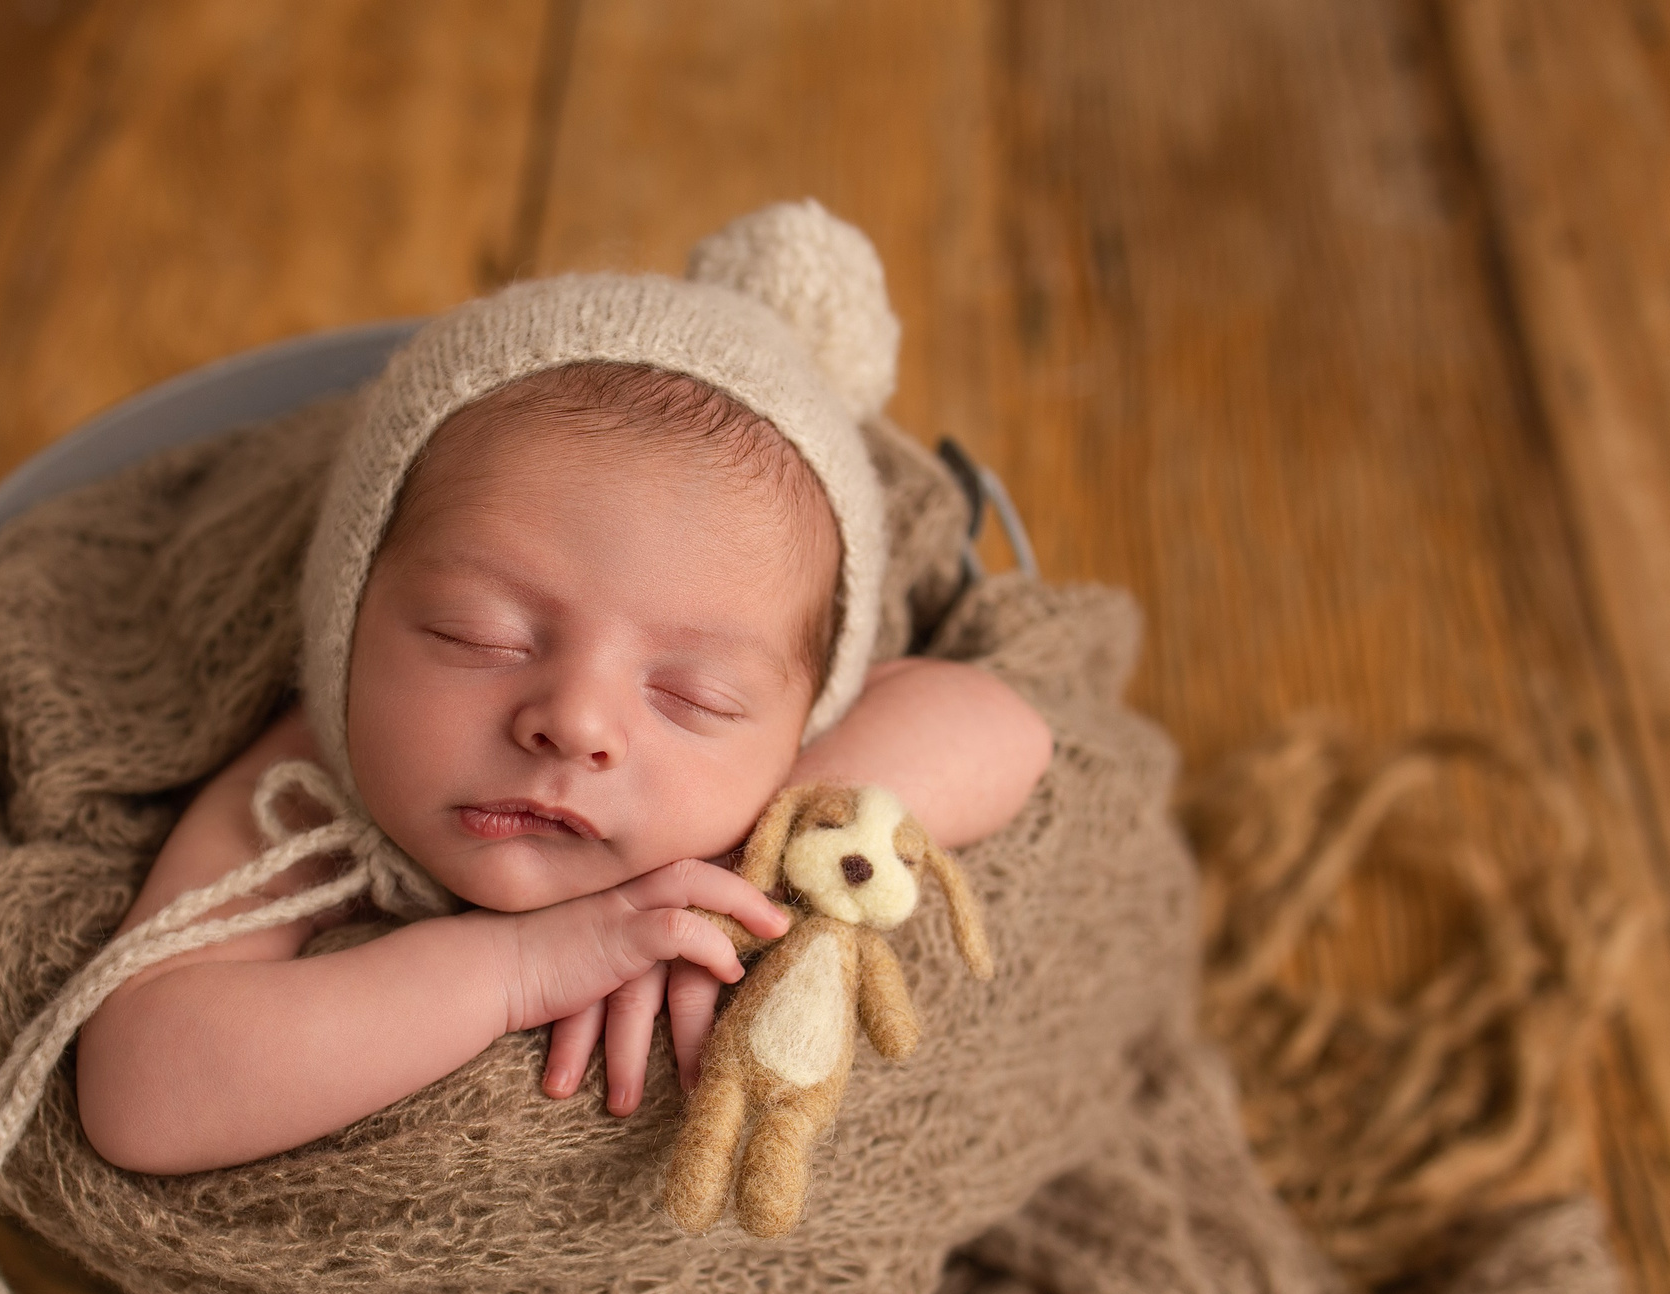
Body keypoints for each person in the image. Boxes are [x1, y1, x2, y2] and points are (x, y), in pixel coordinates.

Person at [73, 206, 1052, 1178]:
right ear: (347, 620)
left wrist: (768, 848)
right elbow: (142, 1094)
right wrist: (523, 969)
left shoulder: (771, 785)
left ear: (801, 720)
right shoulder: (306, 791)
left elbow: (1005, 728)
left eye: (693, 698)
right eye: (481, 636)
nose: (574, 723)